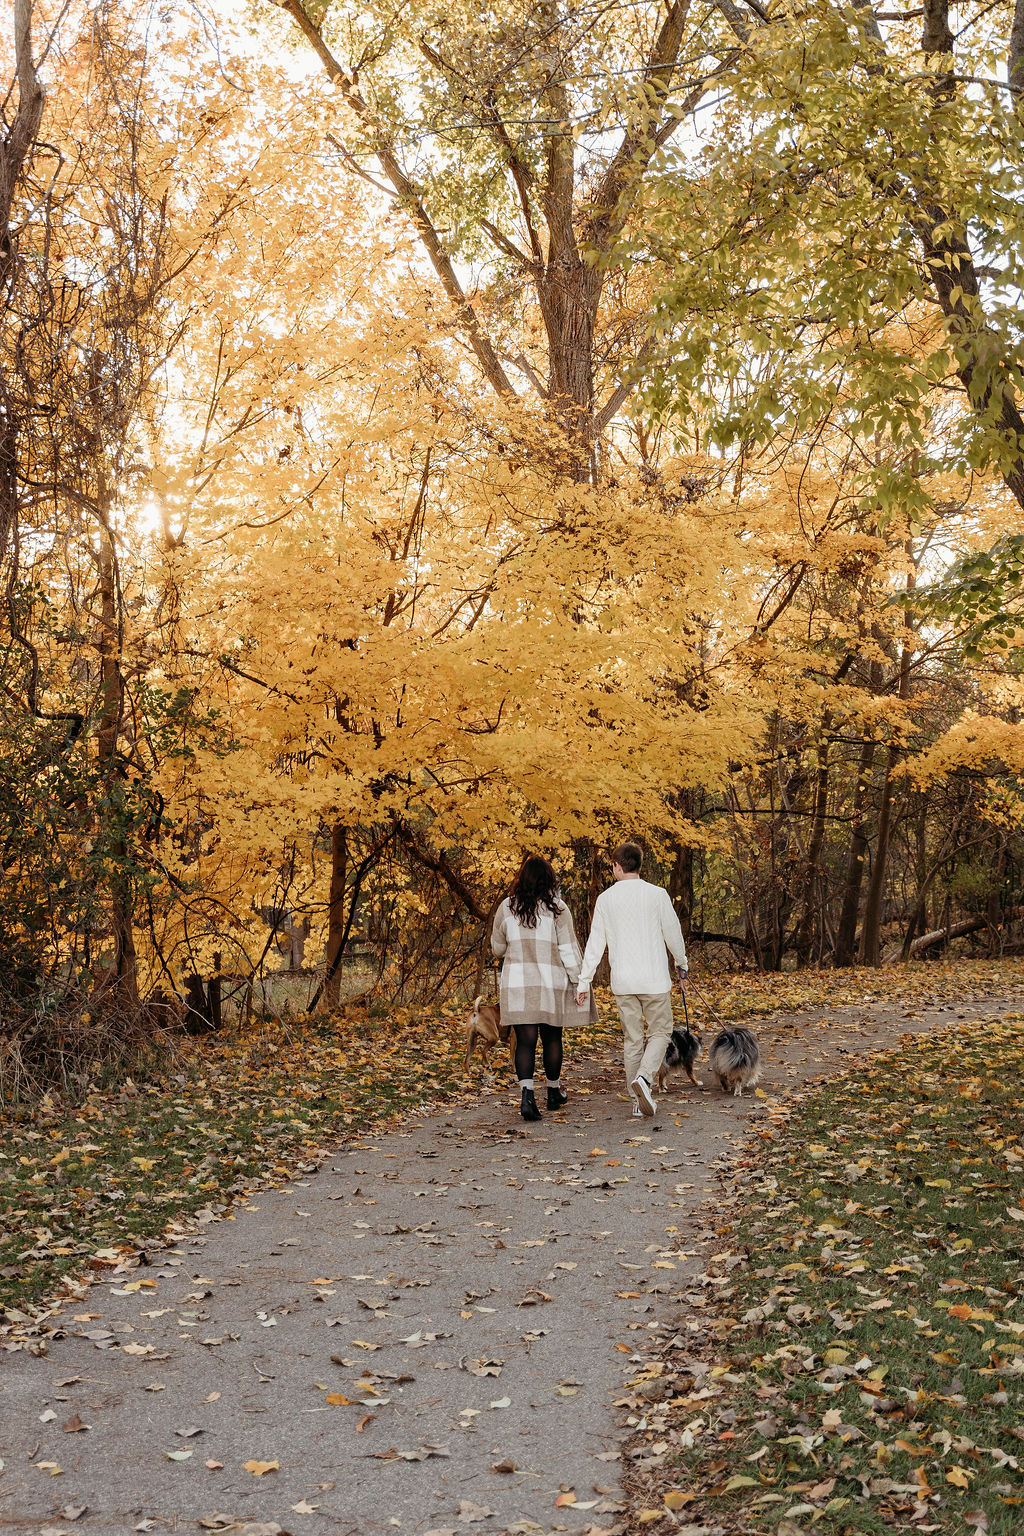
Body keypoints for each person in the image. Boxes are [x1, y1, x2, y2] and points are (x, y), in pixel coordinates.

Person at [576, 841, 687, 1118]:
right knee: (661, 1032)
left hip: (624, 982)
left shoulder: (606, 899)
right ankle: (645, 1080)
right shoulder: (657, 894)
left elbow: (595, 943)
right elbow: (673, 932)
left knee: (632, 1040)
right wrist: (681, 962)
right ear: (639, 865)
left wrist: (583, 981)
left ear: (616, 866)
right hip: (654, 980)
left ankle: (637, 1103)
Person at [491, 855, 594, 1122]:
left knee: (525, 1042)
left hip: (517, 984)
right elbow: (569, 951)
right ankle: (553, 1092)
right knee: (552, 1038)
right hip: (550, 984)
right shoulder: (558, 908)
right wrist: (579, 982)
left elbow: (497, 948)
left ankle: (526, 1097)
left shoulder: (506, 907)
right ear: (549, 880)